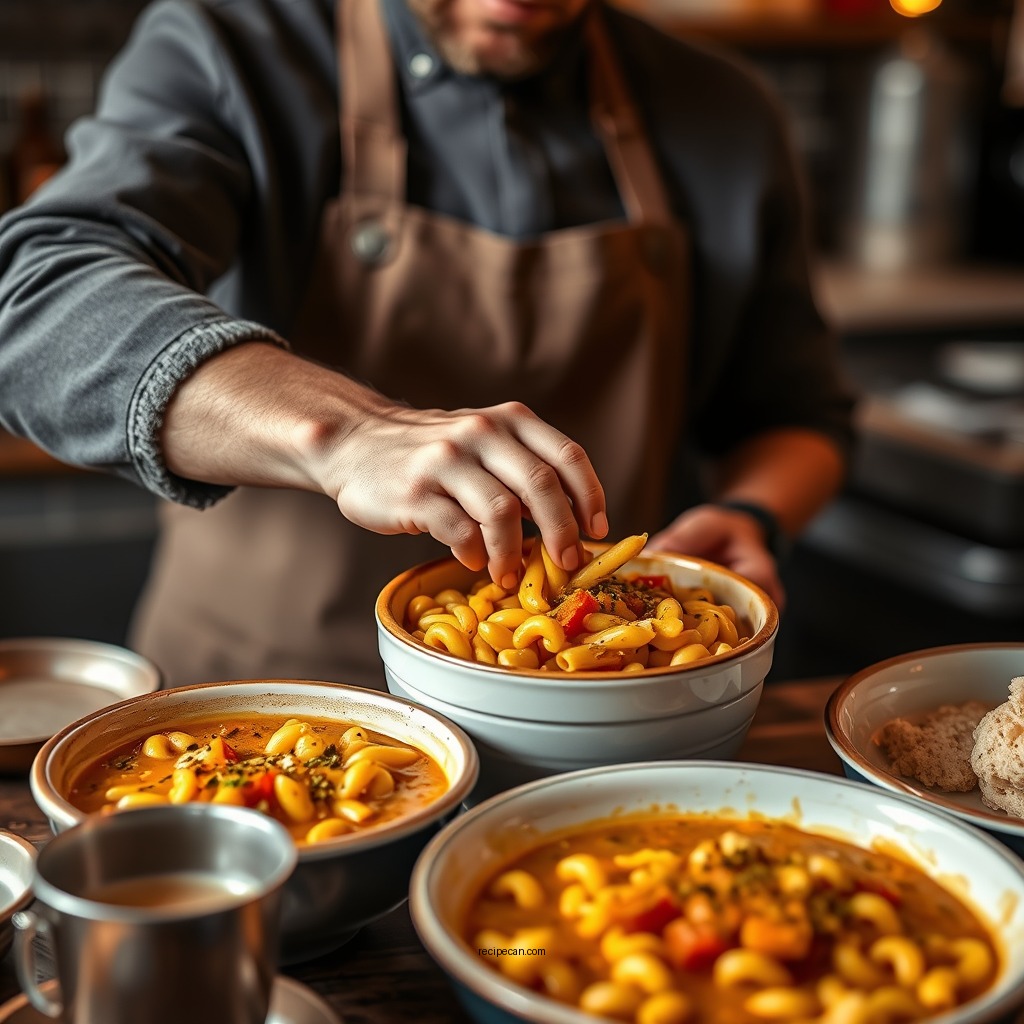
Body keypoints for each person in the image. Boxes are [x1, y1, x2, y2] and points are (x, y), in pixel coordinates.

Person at [0, 0, 855, 690]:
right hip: (263, 706)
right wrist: (348, 435)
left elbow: (793, 411)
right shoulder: (229, 48)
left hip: (603, 719)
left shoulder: (723, 112)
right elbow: (34, 300)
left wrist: (750, 513)